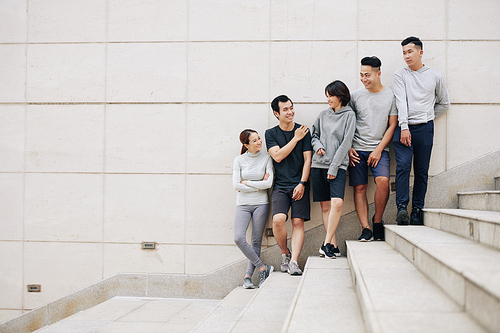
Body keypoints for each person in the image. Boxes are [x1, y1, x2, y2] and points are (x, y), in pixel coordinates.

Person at [392, 36, 450, 225]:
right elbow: (401, 101)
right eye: (404, 53)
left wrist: (427, 116)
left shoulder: (435, 76)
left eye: (410, 51)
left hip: (425, 129)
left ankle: (417, 210)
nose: (406, 56)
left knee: (422, 171)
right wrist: (405, 126)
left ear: (420, 52)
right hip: (404, 129)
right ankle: (402, 208)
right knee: (403, 167)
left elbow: (444, 104)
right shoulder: (400, 75)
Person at [348, 56, 398, 241]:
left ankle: (377, 221)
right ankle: (366, 228)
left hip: (380, 148)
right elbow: (348, 123)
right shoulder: (356, 96)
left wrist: (378, 150)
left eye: (367, 75)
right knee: (360, 187)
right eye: (361, 75)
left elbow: (392, 125)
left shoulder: (391, 95)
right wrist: (349, 148)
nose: (364, 79)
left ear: (378, 73)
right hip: (357, 149)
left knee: (383, 181)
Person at [265, 95, 312, 275]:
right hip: (280, 185)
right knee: (278, 220)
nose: (290, 112)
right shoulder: (271, 134)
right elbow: (277, 156)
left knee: (297, 221)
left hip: (299, 183)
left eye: (291, 107)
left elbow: (308, 160)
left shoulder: (304, 130)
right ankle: (285, 253)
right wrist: (295, 138)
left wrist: (302, 183)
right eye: (285, 109)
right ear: (277, 113)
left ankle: (293, 262)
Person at [311, 80, 356, 259]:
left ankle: (326, 243)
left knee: (337, 203)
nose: (328, 99)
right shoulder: (323, 115)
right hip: (318, 165)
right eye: (327, 96)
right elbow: (313, 135)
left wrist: (334, 166)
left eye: (331, 96)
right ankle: (333, 246)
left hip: (337, 166)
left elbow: (346, 143)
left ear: (341, 96)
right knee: (325, 207)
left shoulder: (349, 115)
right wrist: (318, 146)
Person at [233, 129, 274, 288]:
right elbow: (235, 185)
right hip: (243, 204)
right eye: (255, 141)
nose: (259, 142)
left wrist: (246, 183)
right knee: (238, 238)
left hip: (261, 203)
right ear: (246, 144)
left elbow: (268, 184)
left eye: (259, 139)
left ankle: (248, 277)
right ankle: (264, 268)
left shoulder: (266, 158)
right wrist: (258, 186)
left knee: (256, 241)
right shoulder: (239, 160)